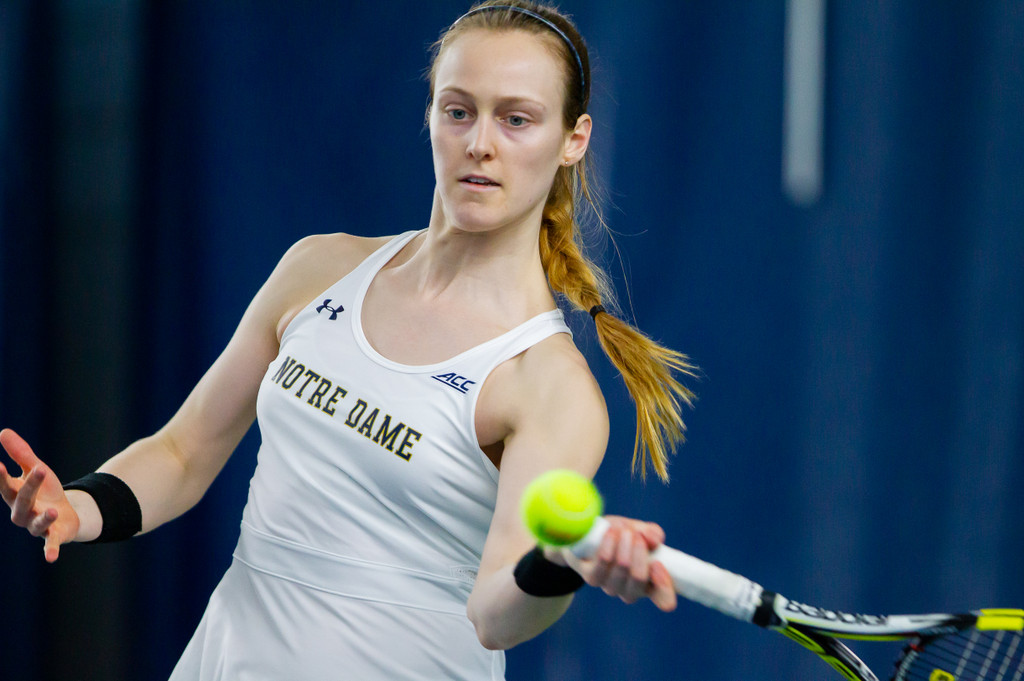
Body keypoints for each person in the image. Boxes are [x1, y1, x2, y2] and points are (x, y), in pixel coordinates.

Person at [0, 2, 697, 678]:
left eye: (517, 119)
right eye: (458, 110)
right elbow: (183, 453)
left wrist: (562, 563)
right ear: (431, 113)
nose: (480, 142)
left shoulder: (550, 386)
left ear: (574, 139)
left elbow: (495, 613)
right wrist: (76, 508)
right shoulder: (319, 267)